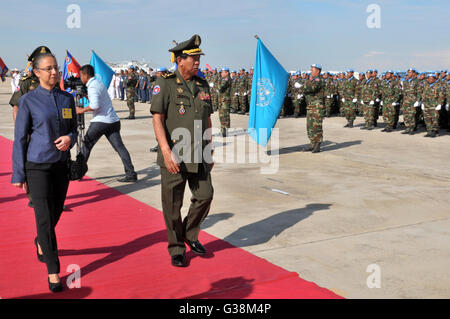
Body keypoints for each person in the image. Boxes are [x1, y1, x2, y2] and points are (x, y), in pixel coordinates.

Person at [11, 52, 77, 293]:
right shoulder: (28, 100)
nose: (53, 72)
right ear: (36, 72)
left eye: (55, 68)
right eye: (48, 69)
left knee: (56, 212)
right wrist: (19, 173)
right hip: (36, 166)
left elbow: (74, 130)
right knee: (44, 219)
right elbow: (19, 138)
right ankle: (53, 271)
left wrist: (69, 138)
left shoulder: (67, 98)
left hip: (60, 164)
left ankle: (41, 241)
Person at [150, 34, 214, 267]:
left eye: (199, 58)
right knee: (173, 206)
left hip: (199, 153)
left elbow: (207, 120)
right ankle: (176, 247)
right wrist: (166, 152)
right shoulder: (164, 83)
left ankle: (189, 232)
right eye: (193, 58)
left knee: (205, 195)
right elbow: (158, 119)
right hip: (175, 154)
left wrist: (210, 148)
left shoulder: (202, 85)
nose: (197, 62)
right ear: (179, 60)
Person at [76, 64, 138, 182]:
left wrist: (81, 110)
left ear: (85, 75)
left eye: (81, 75)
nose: (80, 78)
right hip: (112, 120)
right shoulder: (98, 83)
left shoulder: (93, 86)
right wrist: (86, 95)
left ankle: (78, 172)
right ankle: (131, 173)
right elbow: (98, 101)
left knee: (86, 145)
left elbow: (95, 105)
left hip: (101, 121)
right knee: (120, 148)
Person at [302, 64, 325, 153]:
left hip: (317, 107)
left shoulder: (319, 79)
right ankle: (312, 144)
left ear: (318, 71)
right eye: (311, 70)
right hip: (310, 106)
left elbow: (311, 87)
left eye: (312, 70)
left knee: (317, 126)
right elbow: (307, 87)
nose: (311, 72)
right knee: (310, 126)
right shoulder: (311, 80)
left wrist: (304, 85)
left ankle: (317, 145)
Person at [217, 67, 231, 137]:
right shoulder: (223, 79)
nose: (221, 74)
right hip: (222, 100)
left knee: (225, 116)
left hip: (225, 101)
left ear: (227, 72)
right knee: (221, 116)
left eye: (223, 72)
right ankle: (223, 130)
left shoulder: (227, 79)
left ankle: (225, 131)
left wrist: (216, 85)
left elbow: (220, 87)